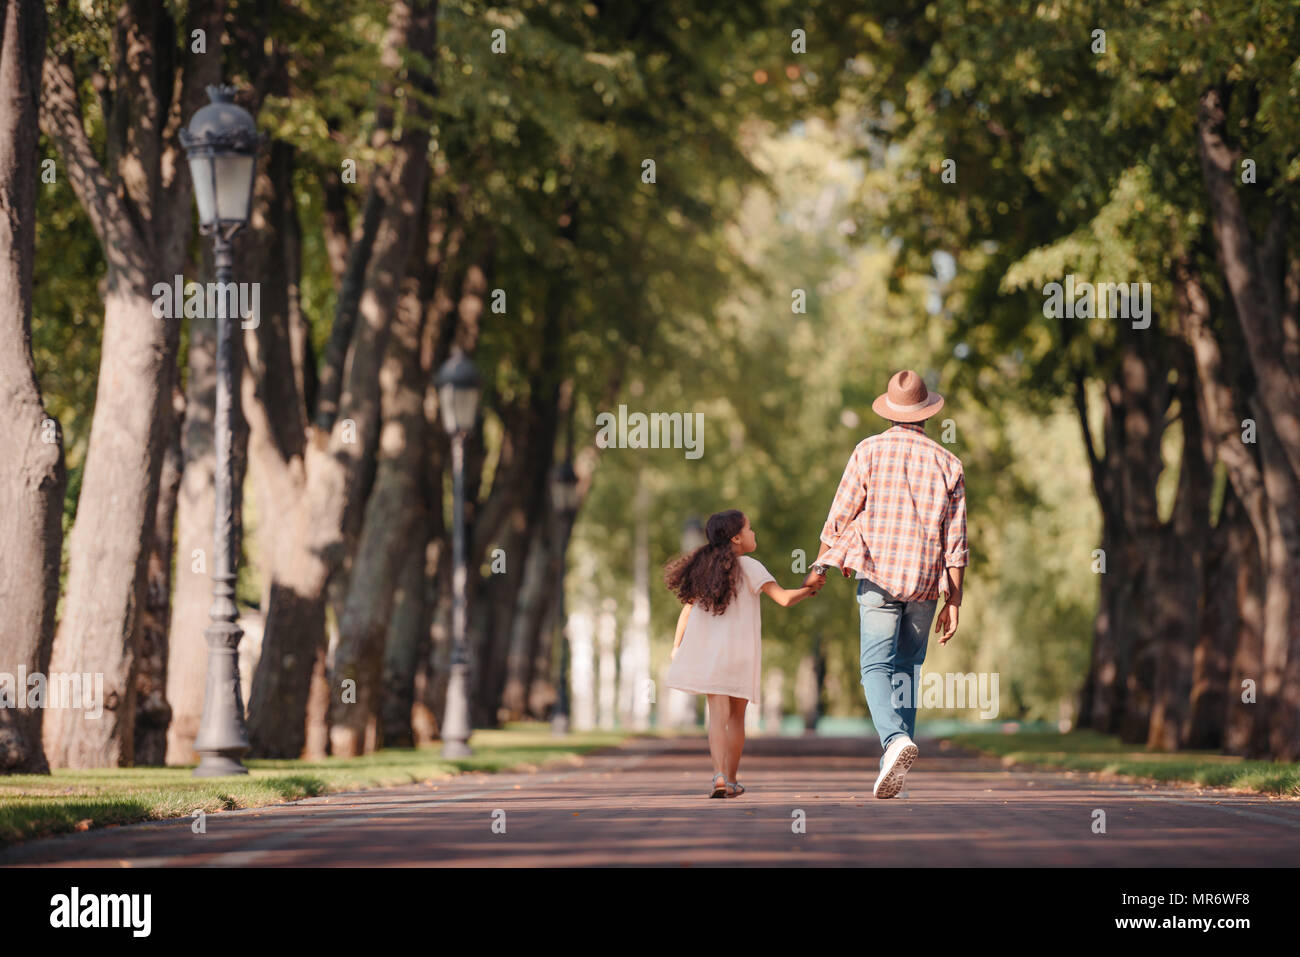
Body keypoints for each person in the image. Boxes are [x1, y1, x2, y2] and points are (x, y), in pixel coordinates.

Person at [805, 370, 968, 799]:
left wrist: (819, 564)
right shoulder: (949, 463)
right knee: (907, 669)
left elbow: (839, 514)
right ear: (927, 414)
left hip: (878, 575)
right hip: (925, 583)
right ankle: (893, 764)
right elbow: (957, 541)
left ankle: (894, 741)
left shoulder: (868, 451)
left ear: (890, 412)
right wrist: (956, 600)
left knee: (875, 666)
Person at [664, 509, 819, 798]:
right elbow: (784, 599)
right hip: (741, 656)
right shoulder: (751, 567)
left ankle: (719, 776)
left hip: (712, 657)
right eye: (750, 529)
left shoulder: (705, 569)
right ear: (736, 537)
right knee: (737, 719)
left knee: (717, 718)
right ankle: (733, 779)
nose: (753, 533)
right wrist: (806, 590)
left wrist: (677, 646)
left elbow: (687, 610)